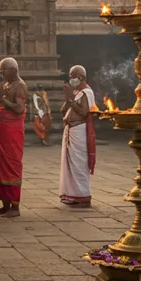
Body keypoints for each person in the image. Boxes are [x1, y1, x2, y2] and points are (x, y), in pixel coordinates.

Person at [0, 57, 28, 217]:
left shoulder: (20, 86)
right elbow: (0, 104)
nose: (0, 73)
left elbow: (19, 109)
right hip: (1, 132)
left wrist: (1, 97)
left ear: (13, 70)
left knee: (11, 167)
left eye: (3, 70)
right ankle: (5, 204)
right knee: (0, 166)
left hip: (11, 133)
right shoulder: (8, 84)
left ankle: (15, 207)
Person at [59, 65, 97, 207]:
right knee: (70, 166)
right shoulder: (77, 91)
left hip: (80, 131)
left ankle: (83, 196)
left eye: (72, 76)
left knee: (79, 165)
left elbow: (84, 112)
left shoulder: (87, 92)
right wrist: (68, 100)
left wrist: (71, 100)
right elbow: (67, 108)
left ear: (80, 77)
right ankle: (72, 195)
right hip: (71, 131)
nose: (70, 79)